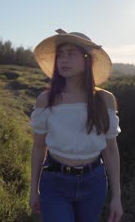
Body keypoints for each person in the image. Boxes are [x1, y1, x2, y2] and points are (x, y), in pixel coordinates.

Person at [28, 29, 123, 222]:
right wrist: (33, 189)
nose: (63, 59)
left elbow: (111, 151)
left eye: (71, 53)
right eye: (60, 55)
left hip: (94, 181)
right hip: (55, 181)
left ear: (87, 59)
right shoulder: (46, 100)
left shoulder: (105, 100)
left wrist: (117, 197)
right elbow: (39, 148)